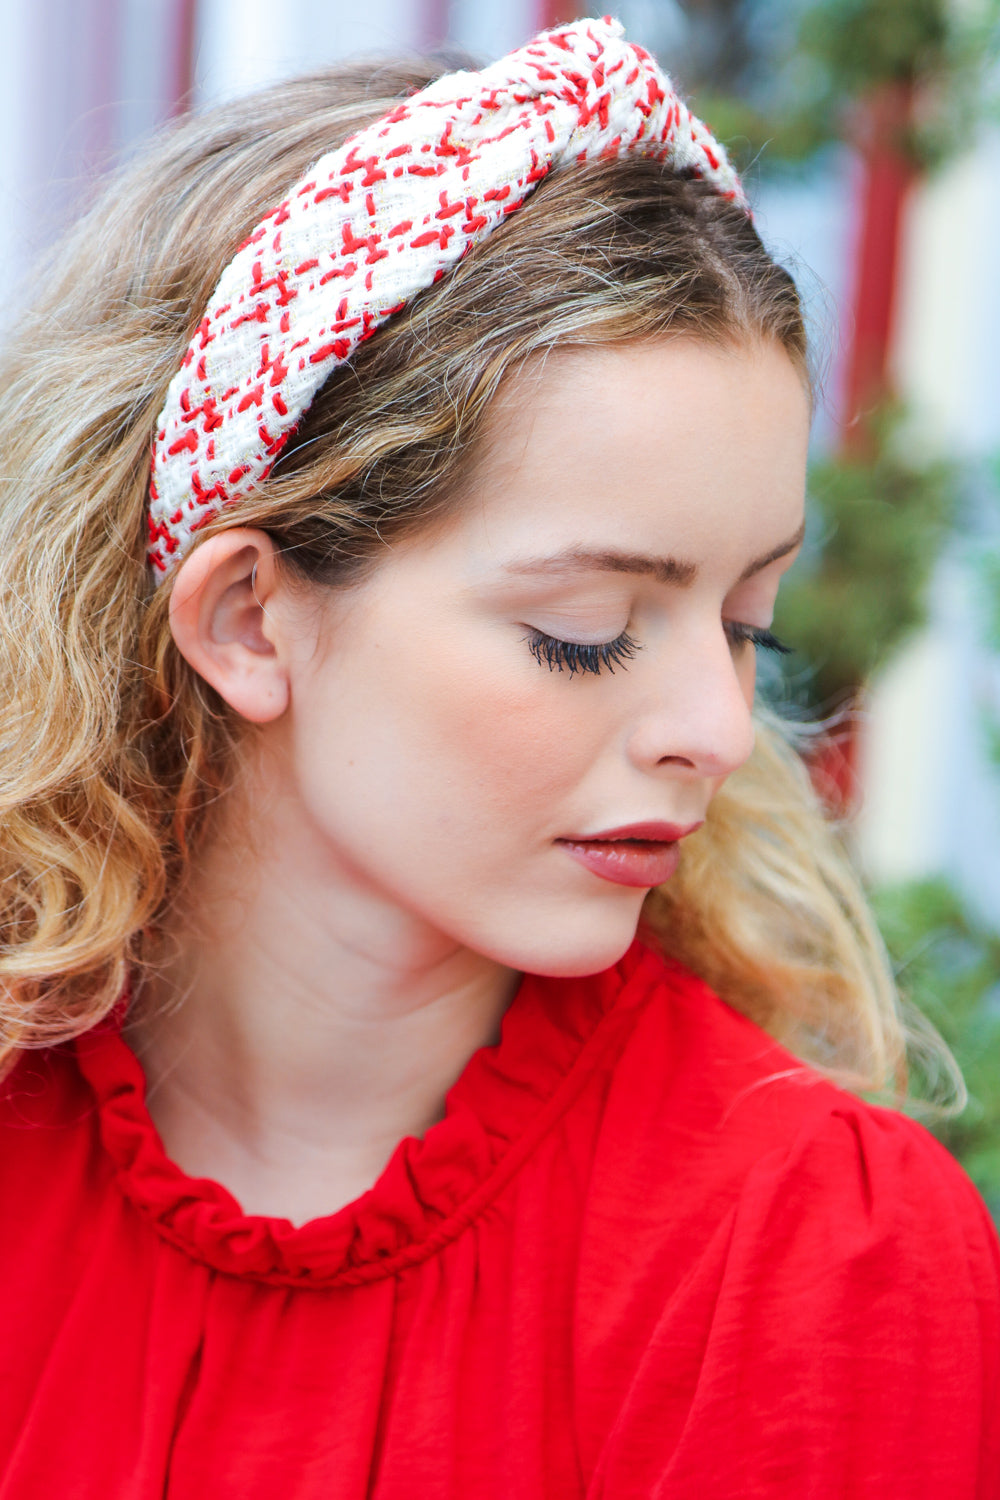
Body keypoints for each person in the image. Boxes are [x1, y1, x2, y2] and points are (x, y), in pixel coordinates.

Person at [0, 17, 997, 1498]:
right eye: (589, 629)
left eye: (744, 627)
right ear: (250, 619)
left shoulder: (812, 1259)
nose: (719, 732)